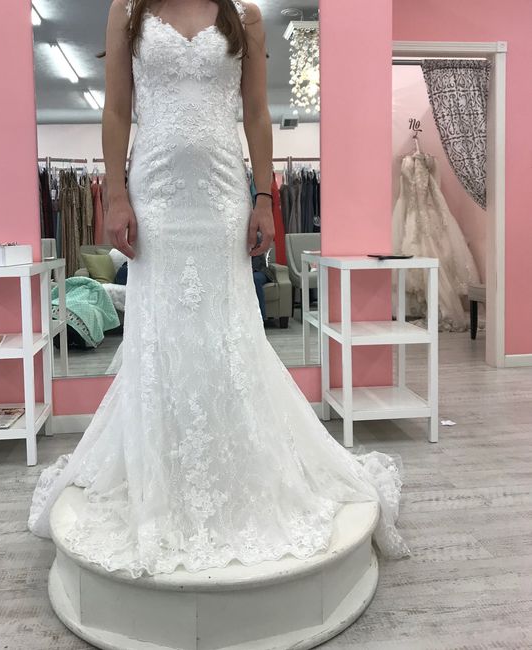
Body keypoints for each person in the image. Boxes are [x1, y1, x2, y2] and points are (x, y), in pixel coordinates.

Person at [28, 0, 410, 576]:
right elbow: (118, 111)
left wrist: (264, 198)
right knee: (162, 333)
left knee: (228, 331)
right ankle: (164, 472)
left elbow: (256, 113)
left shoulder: (245, 16)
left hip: (223, 194)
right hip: (156, 197)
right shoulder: (127, 11)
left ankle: (236, 466)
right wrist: (115, 195)